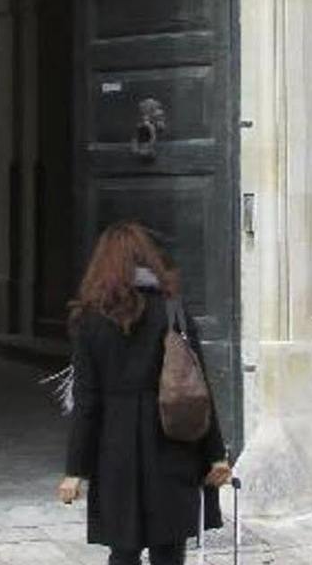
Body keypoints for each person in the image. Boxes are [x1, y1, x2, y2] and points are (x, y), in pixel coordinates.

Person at [57, 221, 234, 565]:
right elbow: (199, 389)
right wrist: (216, 454)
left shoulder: (91, 319)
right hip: (172, 441)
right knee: (169, 549)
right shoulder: (173, 310)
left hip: (115, 448)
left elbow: (87, 401)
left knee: (122, 550)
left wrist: (74, 470)